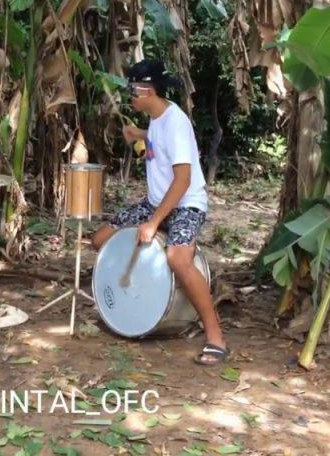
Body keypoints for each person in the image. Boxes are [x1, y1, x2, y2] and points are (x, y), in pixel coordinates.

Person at [91, 60, 228, 366]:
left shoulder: (176, 122)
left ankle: (215, 336)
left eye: (133, 92)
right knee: (101, 239)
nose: (130, 97)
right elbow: (157, 139)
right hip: (156, 202)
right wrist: (138, 133)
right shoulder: (156, 117)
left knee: (177, 258)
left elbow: (183, 181)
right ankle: (134, 301)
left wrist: (153, 223)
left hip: (185, 203)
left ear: (148, 91)